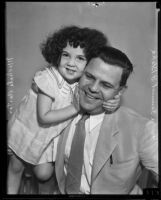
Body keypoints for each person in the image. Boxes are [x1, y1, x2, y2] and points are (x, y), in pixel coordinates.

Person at [7, 26, 120, 194]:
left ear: (90, 64)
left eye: (80, 58)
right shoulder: (48, 78)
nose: (71, 63)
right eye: (66, 55)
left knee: (44, 174)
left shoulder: (82, 82)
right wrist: (75, 107)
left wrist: (113, 100)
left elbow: (99, 94)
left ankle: (32, 173)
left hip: (48, 137)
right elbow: (44, 117)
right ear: (57, 54)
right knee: (15, 169)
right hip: (28, 131)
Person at [55, 45, 158, 194]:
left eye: (106, 85)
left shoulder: (142, 129)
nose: (94, 88)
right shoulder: (59, 106)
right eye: (89, 77)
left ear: (120, 91)